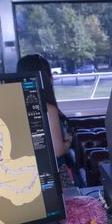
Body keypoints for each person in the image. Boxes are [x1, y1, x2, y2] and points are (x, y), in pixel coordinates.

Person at [16, 54, 76, 187]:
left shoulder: (14, 107)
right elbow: (57, 151)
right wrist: (67, 140)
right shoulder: (47, 109)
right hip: (51, 177)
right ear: (47, 77)